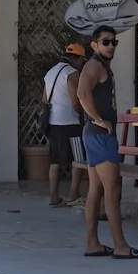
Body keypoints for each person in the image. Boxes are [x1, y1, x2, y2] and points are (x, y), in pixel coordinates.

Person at [78, 25, 138, 260]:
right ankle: (120, 245)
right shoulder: (94, 66)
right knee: (112, 190)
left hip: (94, 134)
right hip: (99, 135)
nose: (110, 46)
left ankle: (93, 243)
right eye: (105, 42)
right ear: (94, 45)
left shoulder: (101, 66)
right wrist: (99, 120)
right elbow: (81, 94)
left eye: (114, 42)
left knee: (96, 190)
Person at [43, 43, 87, 207]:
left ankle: (54, 196)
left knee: (55, 161)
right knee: (78, 159)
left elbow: (44, 100)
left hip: (53, 123)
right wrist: (83, 114)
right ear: (79, 58)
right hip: (71, 122)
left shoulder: (50, 73)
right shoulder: (72, 73)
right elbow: (77, 101)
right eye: (83, 61)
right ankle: (73, 193)